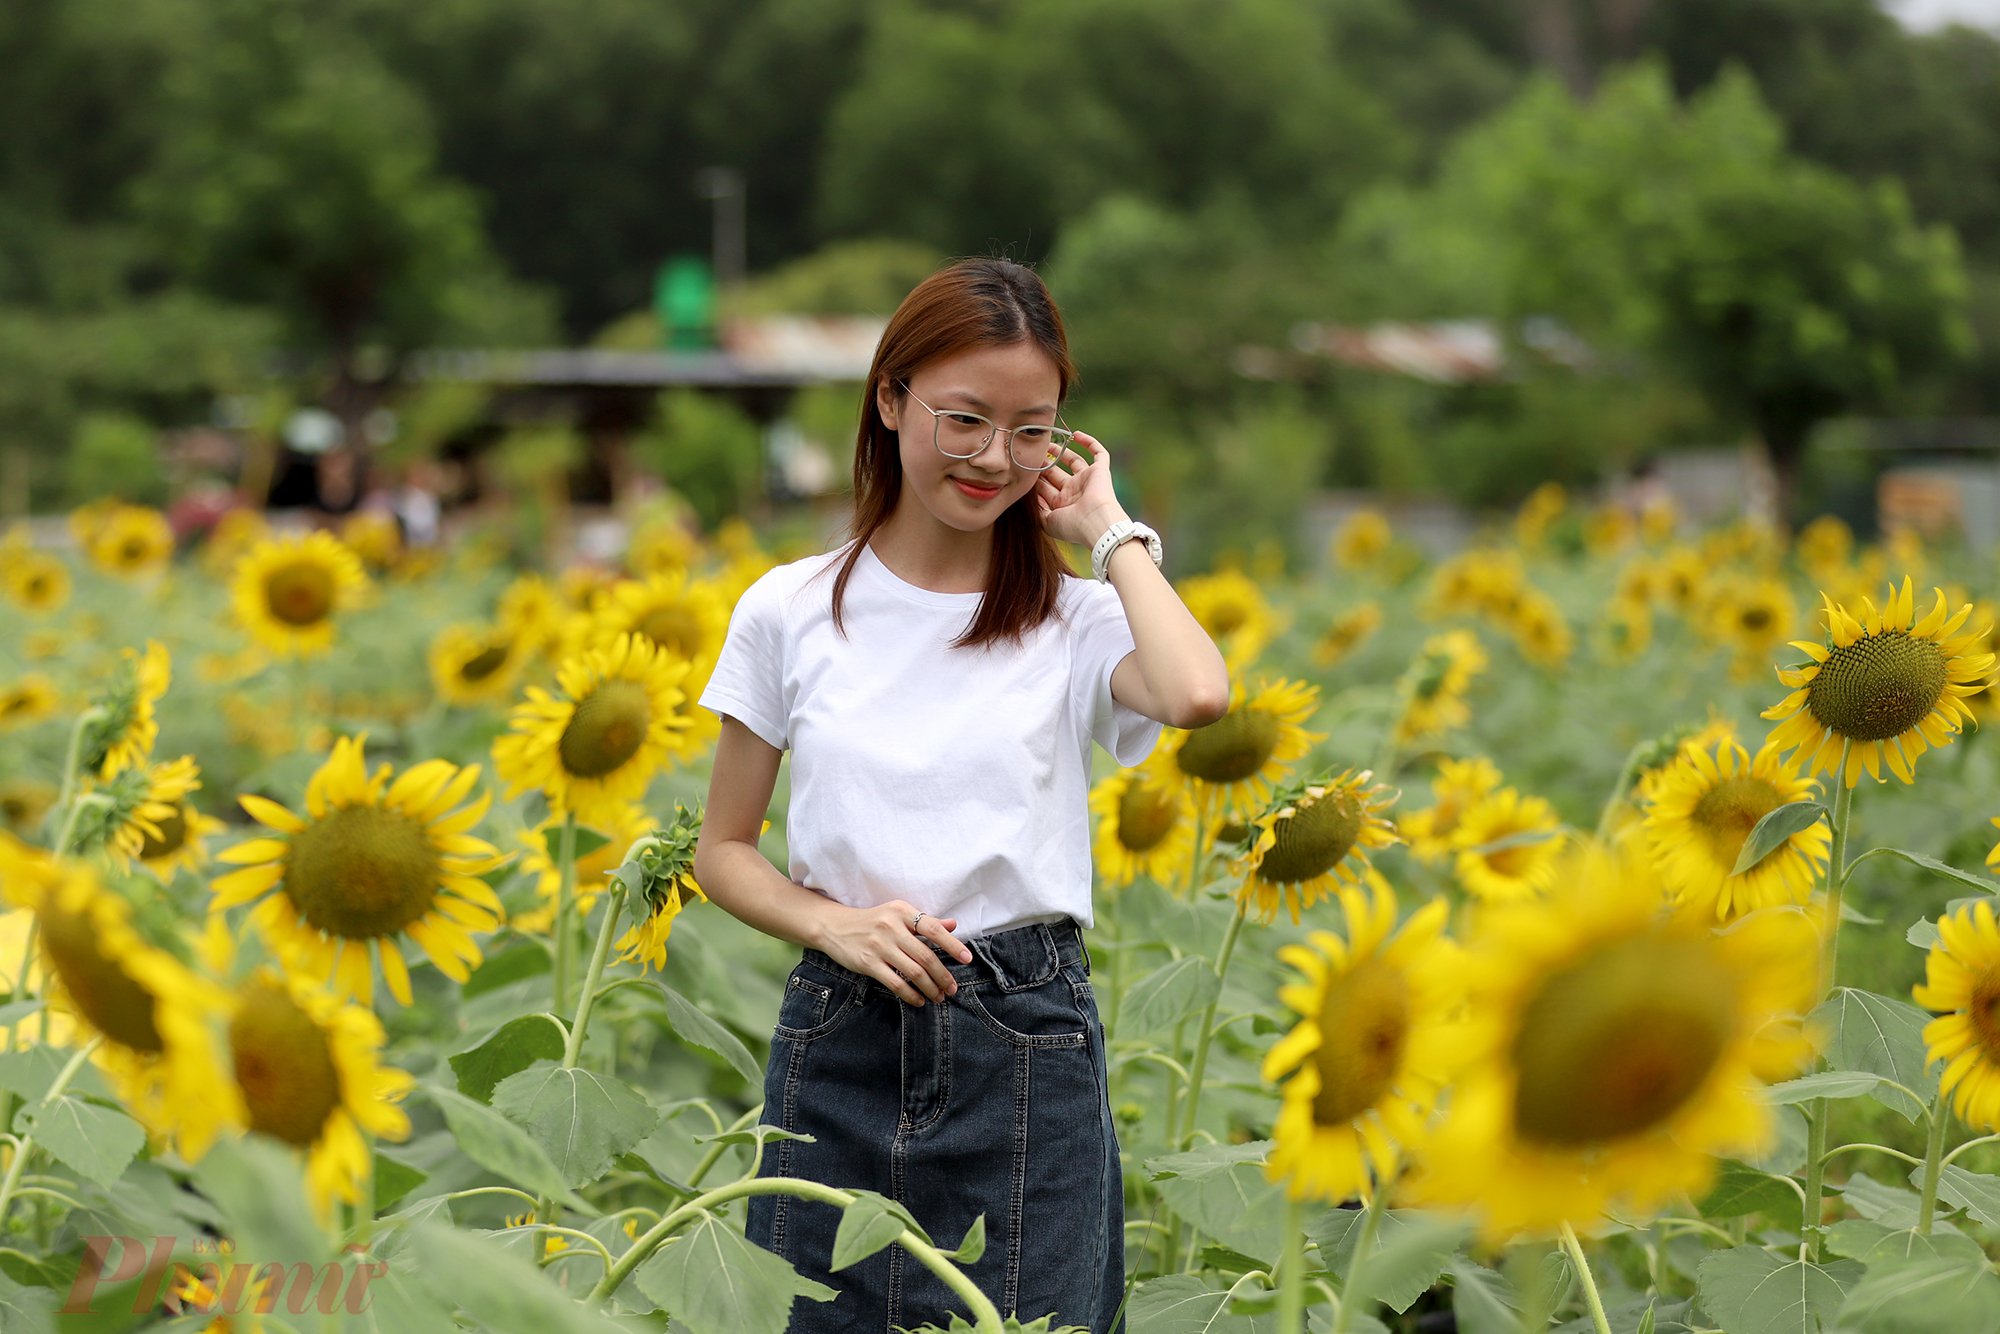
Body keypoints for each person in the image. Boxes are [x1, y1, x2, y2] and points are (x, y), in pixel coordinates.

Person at [692, 257, 1228, 1333]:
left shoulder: (1071, 618)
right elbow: (725, 848)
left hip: (1024, 1043)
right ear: (889, 400)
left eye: (1032, 430)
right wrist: (834, 923)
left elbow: (1196, 691)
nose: (995, 457)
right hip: (839, 1033)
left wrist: (1109, 528)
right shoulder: (787, 609)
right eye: (966, 418)